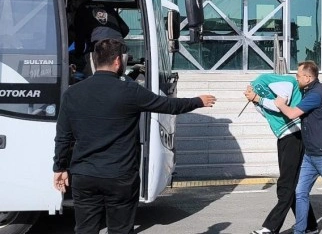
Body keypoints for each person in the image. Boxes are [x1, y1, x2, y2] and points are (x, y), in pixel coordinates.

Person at [52, 38, 216, 234]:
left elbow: (63, 136)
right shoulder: (129, 90)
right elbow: (168, 105)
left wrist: (59, 167)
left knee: (85, 230)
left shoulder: (72, 93)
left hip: (84, 175)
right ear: (118, 61)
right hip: (120, 175)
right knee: (120, 230)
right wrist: (198, 101)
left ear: (94, 60)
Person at [274, 61, 322, 234]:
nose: (296, 78)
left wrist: (280, 104)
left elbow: (292, 113)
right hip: (310, 154)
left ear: (308, 78)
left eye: (298, 75)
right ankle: (300, 230)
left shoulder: (317, 93)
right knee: (300, 192)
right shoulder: (310, 90)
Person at [243, 74, 319, 234]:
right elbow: (268, 113)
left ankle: (271, 228)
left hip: (294, 135)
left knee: (286, 185)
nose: (296, 76)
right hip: (286, 136)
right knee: (292, 185)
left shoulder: (280, 82)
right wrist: (255, 101)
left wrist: (257, 98)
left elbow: (279, 105)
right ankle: (310, 225)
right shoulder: (263, 86)